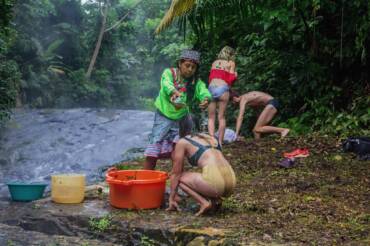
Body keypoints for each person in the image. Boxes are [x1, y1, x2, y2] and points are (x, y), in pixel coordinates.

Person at [143, 49, 212, 170]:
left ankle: (176, 178)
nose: (190, 69)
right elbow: (166, 84)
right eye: (187, 65)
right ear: (180, 63)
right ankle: (146, 178)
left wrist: (206, 99)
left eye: (193, 67)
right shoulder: (169, 73)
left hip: (181, 119)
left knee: (178, 149)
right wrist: (173, 91)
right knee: (154, 147)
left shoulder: (195, 82)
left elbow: (203, 90)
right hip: (163, 116)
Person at [166, 132, 236, 216]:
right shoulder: (211, 138)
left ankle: (204, 203)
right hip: (232, 181)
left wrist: (171, 198)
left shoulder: (182, 142)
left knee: (178, 177)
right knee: (205, 177)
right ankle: (215, 200)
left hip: (216, 182)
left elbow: (176, 173)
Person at [207, 46, 237, 146]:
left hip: (211, 88)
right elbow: (231, 79)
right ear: (231, 54)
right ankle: (219, 143)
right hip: (222, 88)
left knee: (211, 117)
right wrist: (235, 75)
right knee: (221, 117)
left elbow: (211, 78)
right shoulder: (231, 63)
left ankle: (212, 141)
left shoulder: (214, 63)